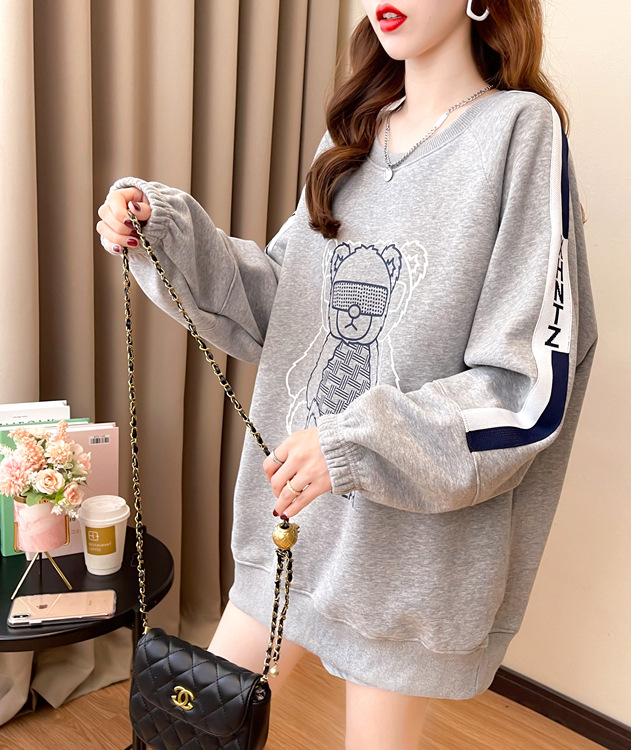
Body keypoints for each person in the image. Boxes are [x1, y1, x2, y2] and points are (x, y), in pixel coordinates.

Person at [96, 1, 597, 747]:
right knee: (182, 732)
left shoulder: (520, 132)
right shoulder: (353, 134)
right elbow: (284, 311)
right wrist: (162, 232)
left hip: (405, 553)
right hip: (295, 519)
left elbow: (527, 389)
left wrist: (352, 445)